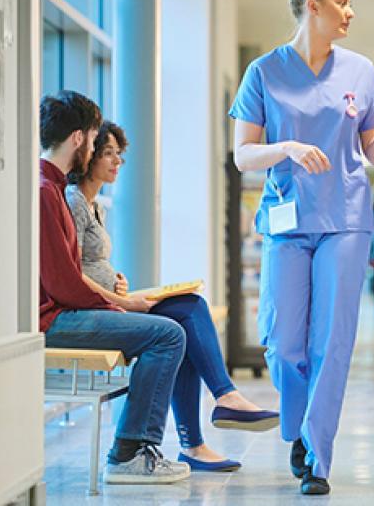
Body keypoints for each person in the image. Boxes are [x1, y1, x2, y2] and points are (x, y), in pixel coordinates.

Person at [229, 0, 374, 495]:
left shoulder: (359, 70)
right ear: (312, 7)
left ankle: (318, 453)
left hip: (346, 219)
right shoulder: (264, 72)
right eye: (342, 3)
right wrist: (286, 147)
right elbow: (243, 154)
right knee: (284, 341)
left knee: (332, 342)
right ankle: (299, 428)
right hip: (287, 222)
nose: (350, 12)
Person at [66, 121, 279, 473]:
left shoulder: (94, 205)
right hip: (95, 311)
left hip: (107, 302)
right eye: (107, 153)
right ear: (86, 157)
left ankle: (205, 428)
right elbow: (70, 271)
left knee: (191, 307)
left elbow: (88, 262)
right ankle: (212, 416)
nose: (117, 161)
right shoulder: (73, 200)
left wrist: (115, 279)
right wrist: (123, 300)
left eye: (119, 154)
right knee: (179, 324)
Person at [39, 90, 190, 484]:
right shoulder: (47, 192)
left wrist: (117, 302)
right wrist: (119, 305)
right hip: (55, 321)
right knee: (168, 335)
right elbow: (66, 284)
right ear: (79, 139)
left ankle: (137, 449)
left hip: (65, 312)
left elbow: (70, 276)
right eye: (93, 140)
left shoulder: (50, 188)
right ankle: (128, 454)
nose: (94, 149)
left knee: (178, 320)